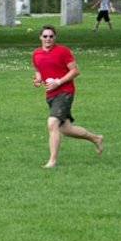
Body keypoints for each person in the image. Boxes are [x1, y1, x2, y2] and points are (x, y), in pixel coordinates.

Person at [30, 25, 103, 167]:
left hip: (65, 92)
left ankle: (52, 160)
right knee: (66, 129)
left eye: (51, 36)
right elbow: (38, 69)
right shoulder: (36, 54)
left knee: (52, 123)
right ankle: (96, 138)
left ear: (54, 38)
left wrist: (59, 81)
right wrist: (38, 79)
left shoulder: (62, 51)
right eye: (45, 36)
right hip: (50, 94)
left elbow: (75, 71)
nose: (48, 39)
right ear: (40, 37)